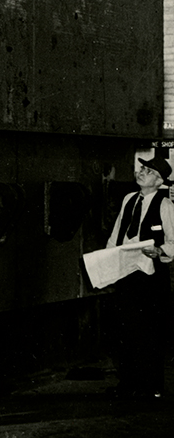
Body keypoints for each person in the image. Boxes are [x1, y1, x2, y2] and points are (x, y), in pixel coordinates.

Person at [104, 154, 173, 400]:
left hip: (151, 276)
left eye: (149, 171)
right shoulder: (128, 200)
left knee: (150, 331)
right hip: (127, 273)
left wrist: (161, 250)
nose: (142, 172)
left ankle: (151, 386)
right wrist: (108, 262)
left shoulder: (166, 207)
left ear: (159, 181)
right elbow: (117, 235)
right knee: (126, 330)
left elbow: (173, 242)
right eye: (142, 168)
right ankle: (128, 383)